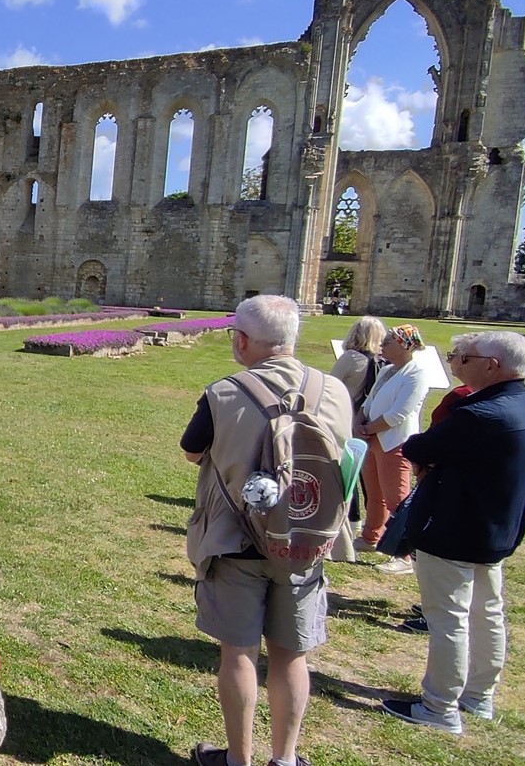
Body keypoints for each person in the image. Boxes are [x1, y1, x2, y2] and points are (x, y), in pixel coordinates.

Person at [181, 294, 354, 766]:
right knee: (290, 656)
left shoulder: (224, 392)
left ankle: (239, 760)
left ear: (241, 340)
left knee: (238, 652)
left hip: (235, 537)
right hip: (305, 538)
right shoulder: (334, 390)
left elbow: (194, 452)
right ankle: (286, 759)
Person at [380, 332, 525, 735]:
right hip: (495, 530)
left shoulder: (480, 414)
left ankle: (440, 707)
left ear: (490, 366)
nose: (457, 362)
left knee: (449, 618)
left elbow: (419, 448)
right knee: (487, 613)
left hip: (454, 529)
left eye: (464, 357)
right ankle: (478, 696)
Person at [357, 324, 433, 575]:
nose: (382, 345)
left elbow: (401, 412)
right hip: (373, 438)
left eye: (388, 341)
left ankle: (404, 553)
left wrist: (371, 428)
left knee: (396, 498)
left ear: (403, 345)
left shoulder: (417, 373)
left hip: (395, 440)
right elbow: (370, 400)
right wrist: (360, 418)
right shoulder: (388, 370)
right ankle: (371, 537)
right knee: (373, 491)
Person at [329, 317, 385, 524]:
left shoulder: (351, 358)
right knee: (369, 477)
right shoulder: (383, 361)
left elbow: (332, 386)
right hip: (370, 420)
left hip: (347, 417)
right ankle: (374, 521)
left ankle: (351, 519)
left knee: (348, 471)